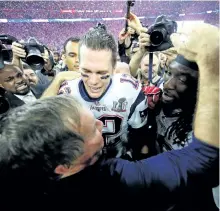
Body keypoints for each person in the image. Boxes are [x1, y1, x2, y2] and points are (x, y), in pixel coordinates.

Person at [45, 27, 148, 160]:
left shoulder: (130, 91)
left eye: (102, 74)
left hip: (118, 161)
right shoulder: (66, 92)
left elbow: (140, 137)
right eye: (86, 72)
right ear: (79, 64)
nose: (93, 82)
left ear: (114, 67)